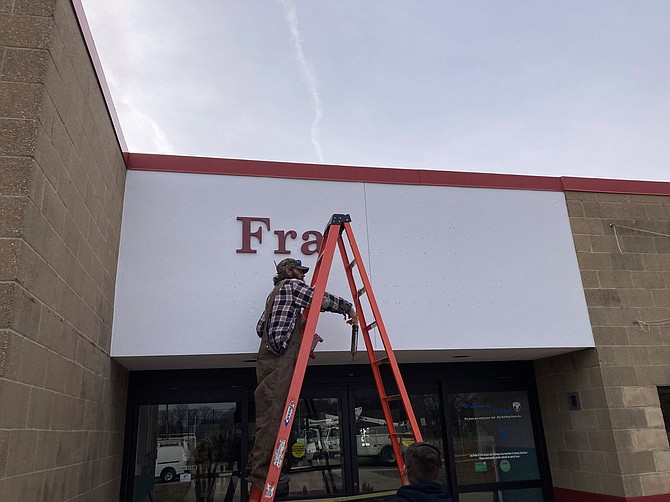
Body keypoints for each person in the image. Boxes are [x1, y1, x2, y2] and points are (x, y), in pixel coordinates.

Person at [247, 257, 358, 501]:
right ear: (288, 271)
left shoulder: (272, 296)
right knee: (275, 414)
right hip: (278, 359)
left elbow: (260, 328)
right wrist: (349, 308)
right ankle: (262, 474)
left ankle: (255, 469)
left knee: (267, 414)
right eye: (300, 270)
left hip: (267, 360)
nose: (303, 275)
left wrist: (294, 326)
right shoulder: (290, 286)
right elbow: (319, 299)